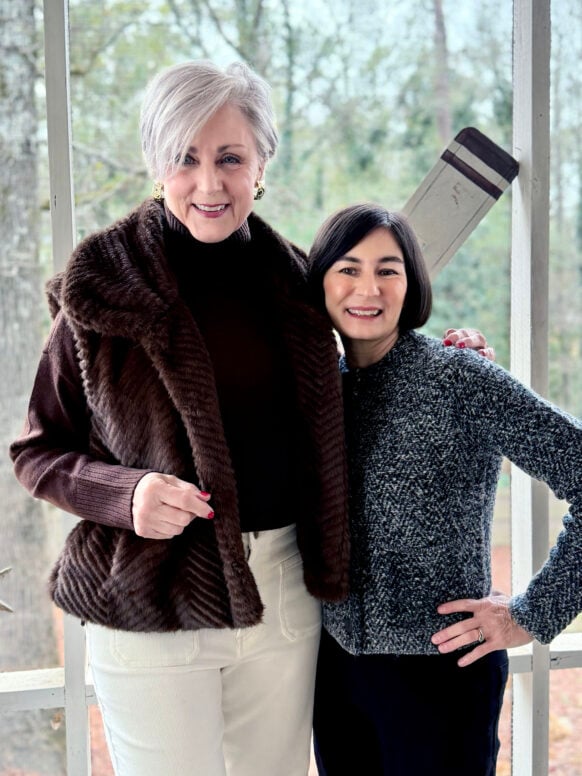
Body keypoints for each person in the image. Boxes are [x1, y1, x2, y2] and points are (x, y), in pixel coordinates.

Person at [9, 61, 487, 776]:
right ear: (157, 164)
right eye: (185, 158)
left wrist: (452, 359)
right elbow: (38, 450)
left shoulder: (301, 285)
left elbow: (371, 367)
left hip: (285, 595)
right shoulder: (102, 289)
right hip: (151, 601)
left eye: (230, 158)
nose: (209, 184)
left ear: (262, 163)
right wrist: (126, 495)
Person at [307, 203, 582, 776]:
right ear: (321, 281)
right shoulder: (318, 390)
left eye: (388, 270)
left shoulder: (460, 376)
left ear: (411, 283)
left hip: (441, 677)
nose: (368, 288)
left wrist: (531, 614)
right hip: (332, 676)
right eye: (348, 268)